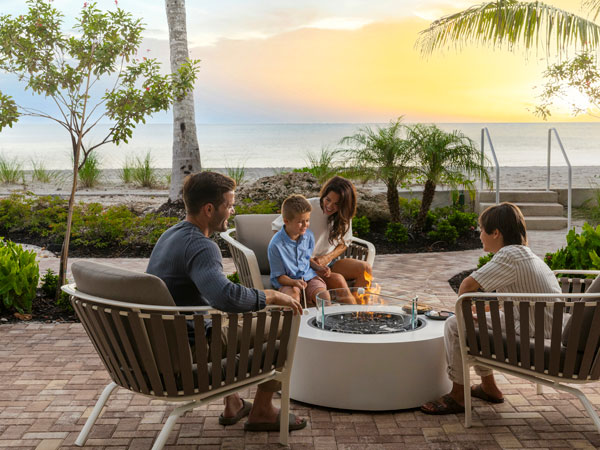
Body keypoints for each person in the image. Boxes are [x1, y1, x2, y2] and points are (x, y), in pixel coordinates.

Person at [146, 171, 307, 431]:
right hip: (190, 350)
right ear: (209, 209)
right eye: (229, 205)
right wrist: (274, 295)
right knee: (286, 321)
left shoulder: (169, 236)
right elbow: (226, 297)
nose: (232, 211)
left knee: (227, 318)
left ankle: (233, 403)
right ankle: (263, 410)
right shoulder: (201, 246)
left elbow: (216, 298)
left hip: (164, 346)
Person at [420, 202, 561, 415]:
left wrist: (462, 315)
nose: (479, 236)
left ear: (496, 233)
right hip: (545, 324)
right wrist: (480, 312)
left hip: (533, 328)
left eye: (481, 230)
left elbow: (468, 285)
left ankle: (458, 395)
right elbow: (517, 303)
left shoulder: (509, 255)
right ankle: (489, 387)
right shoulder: (526, 254)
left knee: (454, 324)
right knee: (475, 318)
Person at [272, 176, 372, 291]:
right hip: (305, 266)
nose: (329, 206)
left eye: (337, 204)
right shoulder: (307, 207)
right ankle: (348, 308)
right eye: (328, 200)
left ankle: (360, 308)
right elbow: (276, 227)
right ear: (323, 195)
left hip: (328, 264)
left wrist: (326, 258)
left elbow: (345, 242)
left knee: (365, 269)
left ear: (344, 205)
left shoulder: (344, 215)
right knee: (338, 279)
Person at [268, 194, 332, 307]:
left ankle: (324, 323)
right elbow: (279, 277)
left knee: (323, 297)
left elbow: (306, 259)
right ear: (286, 221)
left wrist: (319, 268)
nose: (305, 225)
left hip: (308, 277)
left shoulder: (308, 236)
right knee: (293, 299)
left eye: (307, 220)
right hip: (287, 281)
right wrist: (294, 283)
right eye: (300, 222)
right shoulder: (275, 245)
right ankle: (294, 324)